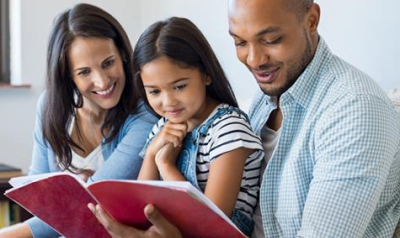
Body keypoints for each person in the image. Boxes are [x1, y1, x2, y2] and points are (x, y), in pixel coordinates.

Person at [90, 0, 400, 237]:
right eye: (240, 42)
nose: (253, 60)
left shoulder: (355, 110)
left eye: (271, 39)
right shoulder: (265, 98)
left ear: (311, 20)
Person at [0, 3, 157, 238]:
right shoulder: (50, 107)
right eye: (84, 72)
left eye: (108, 63)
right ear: (68, 75)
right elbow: (37, 197)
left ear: (123, 55)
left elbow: (86, 207)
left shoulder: (144, 117)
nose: (102, 82)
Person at [130, 17, 263, 236]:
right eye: (154, 91)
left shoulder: (228, 128)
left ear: (206, 74)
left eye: (179, 86)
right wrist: (153, 151)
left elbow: (211, 222)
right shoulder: (162, 128)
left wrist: (165, 165)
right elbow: (139, 208)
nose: (168, 101)